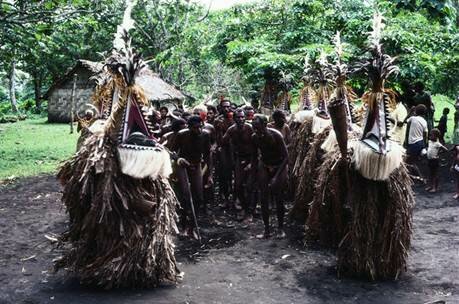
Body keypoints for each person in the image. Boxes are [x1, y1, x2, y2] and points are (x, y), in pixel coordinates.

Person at [170, 115, 211, 238]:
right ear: (189, 127)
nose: (198, 130)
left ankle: (192, 227)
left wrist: (209, 175)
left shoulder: (205, 135)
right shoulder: (182, 135)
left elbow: (208, 156)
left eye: (200, 127)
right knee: (185, 196)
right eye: (195, 128)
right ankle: (183, 226)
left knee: (198, 196)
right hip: (183, 166)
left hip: (196, 165)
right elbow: (171, 151)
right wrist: (179, 159)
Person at [251, 114, 288, 239]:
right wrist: (254, 175)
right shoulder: (254, 137)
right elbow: (254, 158)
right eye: (254, 127)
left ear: (265, 125)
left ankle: (280, 228)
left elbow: (286, 157)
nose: (256, 130)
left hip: (279, 165)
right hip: (265, 165)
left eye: (258, 127)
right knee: (264, 197)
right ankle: (266, 229)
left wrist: (276, 176)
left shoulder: (276, 135)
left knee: (279, 197)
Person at [222, 109, 255, 222]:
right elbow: (223, 142)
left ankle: (250, 211)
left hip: (251, 158)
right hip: (239, 159)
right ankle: (244, 209)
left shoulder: (250, 128)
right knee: (238, 185)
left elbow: (256, 146)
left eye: (242, 117)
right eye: (238, 117)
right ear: (234, 118)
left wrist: (251, 162)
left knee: (251, 186)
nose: (240, 119)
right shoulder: (231, 130)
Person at [214, 99, 234, 205]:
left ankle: (235, 197)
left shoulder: (235, 118)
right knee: (224, 173)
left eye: (228, 106)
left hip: (235, 149)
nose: (226, 109)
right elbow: (218, 138)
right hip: (224, 149)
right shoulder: (218, 120)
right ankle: (224, 196)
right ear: (221, 108)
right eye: (224, 107)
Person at [425, 128, 448, 193]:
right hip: (429, 160)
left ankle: (435, 187)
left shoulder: (437, 144)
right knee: (430, 174)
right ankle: (430, 186)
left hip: (435, 160)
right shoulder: (429, 141)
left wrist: (438, 153)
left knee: (435, 174)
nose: (430, 136)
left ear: (436, 136)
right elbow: (429, 148)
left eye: (431, 135)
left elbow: (445, 149)